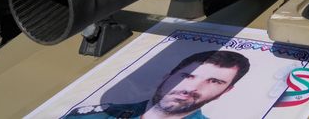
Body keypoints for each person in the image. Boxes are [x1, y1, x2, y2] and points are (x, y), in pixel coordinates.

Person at [65, 50, 250, 119]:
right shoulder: (87, 117)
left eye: (214, 81)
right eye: (188, 76)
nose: (191, 88)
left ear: (226, 91)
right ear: (167, 76)